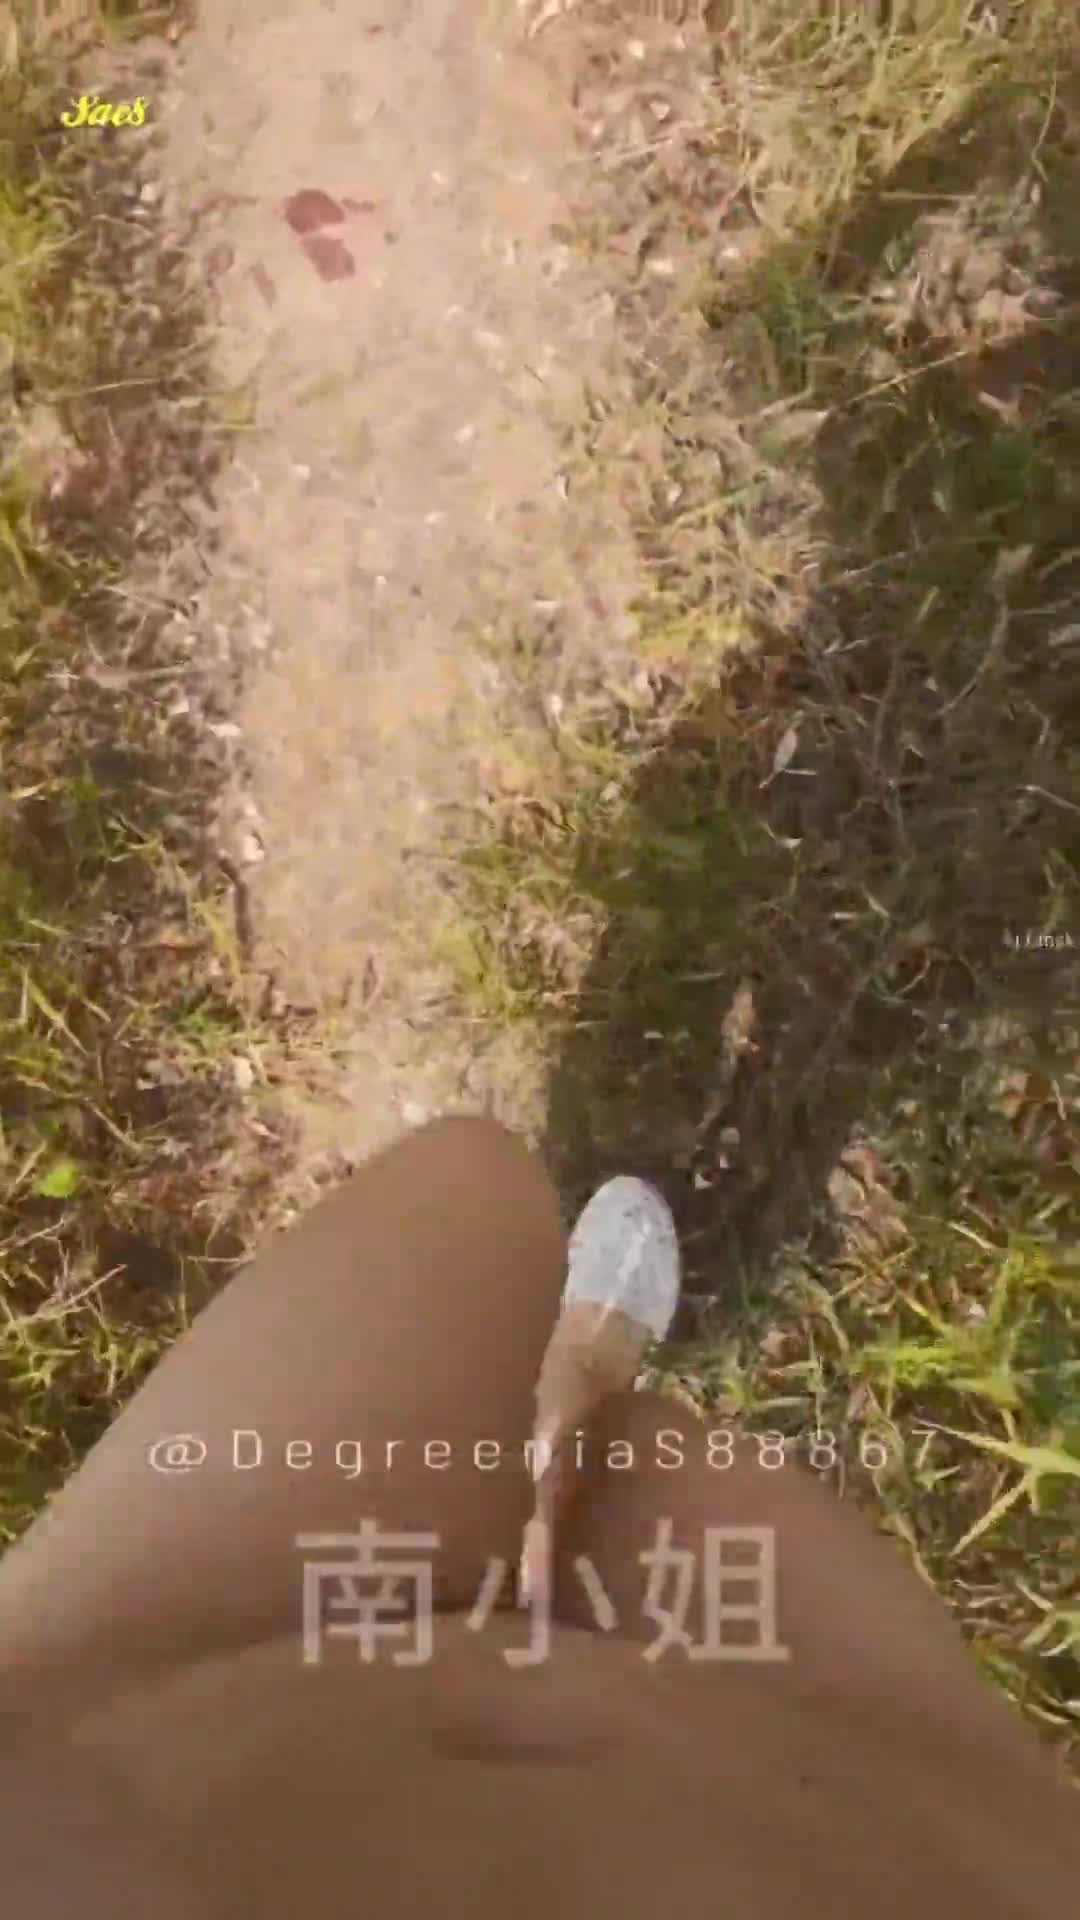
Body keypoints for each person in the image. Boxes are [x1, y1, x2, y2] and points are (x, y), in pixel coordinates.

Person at [0, 1116, 1076, 1919]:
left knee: (461, 1203)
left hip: (122, 1694)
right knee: (646, 1466)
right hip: (929, 1833)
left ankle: (558, 1414)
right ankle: (579, 1383)